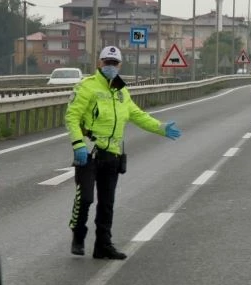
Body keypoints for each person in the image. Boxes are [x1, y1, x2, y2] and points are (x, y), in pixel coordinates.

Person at [65, 45, 182, 259]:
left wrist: (160, 128)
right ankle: (78, 232)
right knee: (87, 199)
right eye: (106, 62)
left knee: (107, 203)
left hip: (113, 154)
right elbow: (72, 116)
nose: (110, 66)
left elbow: (137, 115)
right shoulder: (87, 86)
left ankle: (103, 245)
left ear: (119, 65)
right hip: (90, 151)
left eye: (114, 63)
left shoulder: (121, 91)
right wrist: (77, 144)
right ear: (99, 63)